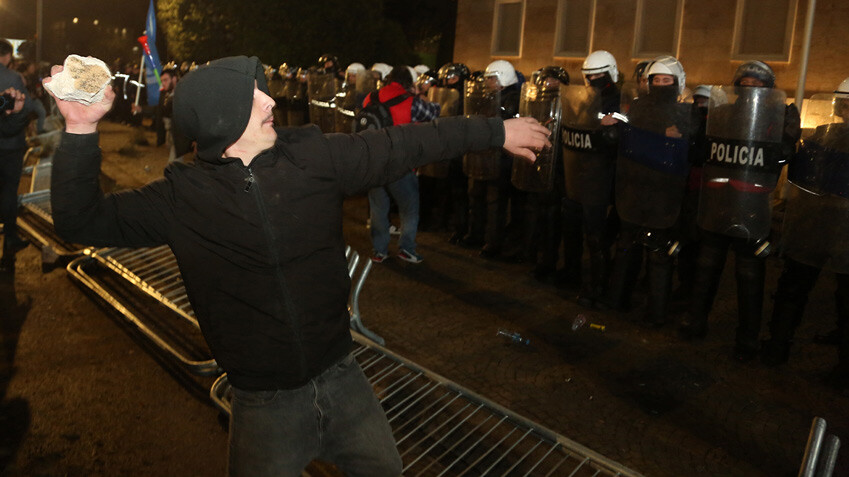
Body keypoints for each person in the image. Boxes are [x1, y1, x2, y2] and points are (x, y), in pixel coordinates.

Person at [46, 55, 550, 476]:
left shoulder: (315, 157)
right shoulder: (180, 199)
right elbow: (81, 220)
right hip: (263, 403)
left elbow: (407, 143)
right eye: (253, 97)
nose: (270, 102)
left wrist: (495, 131)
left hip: (343, 376)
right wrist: (81, 127)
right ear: (222, 121)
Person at [678, 61, 801, 362]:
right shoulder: (722, 112)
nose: (749, 89)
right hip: (719, 199)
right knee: (706, 265)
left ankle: (747, 338)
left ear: (768, 88)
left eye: (756, 85)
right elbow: (703, 151)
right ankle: (695, 321)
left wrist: (781, 143)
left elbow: (785, 154)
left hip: (754, 205)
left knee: (749, 272)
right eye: (744, 84)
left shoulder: (781, 114)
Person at [761, 78, 849, 392]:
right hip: (815, 224)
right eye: (846, 104)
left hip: (844, 231)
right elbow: (795, 169)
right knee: (793, 287)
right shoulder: (823, 134)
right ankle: (778, 345)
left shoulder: (823, 135)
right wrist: (788, 142)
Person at [363, 65, 440, 263]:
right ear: (408, 82)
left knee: (378, 208)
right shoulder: (411, 101)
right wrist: (418, 94)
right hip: (401, 162)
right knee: (409, 207)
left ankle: (379, 251)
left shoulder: (370, 97)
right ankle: (407, 248)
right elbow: (434, 112)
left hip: (374, 161)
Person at [0, 39, 33, 273]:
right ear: (8, 57)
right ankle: (9, 236)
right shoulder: (13, 79)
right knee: (9, 191)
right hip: (9, 146)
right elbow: (21, 115)